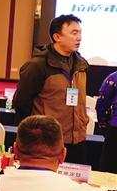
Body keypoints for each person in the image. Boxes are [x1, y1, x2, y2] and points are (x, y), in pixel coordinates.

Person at [14, 14, 88, 164]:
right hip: (46, 142)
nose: (79, 38)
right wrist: (36, 130)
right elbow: (21, 102)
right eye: (74, 33)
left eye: (80, 33)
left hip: (77, 140)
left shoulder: (81, 65)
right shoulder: (38, 66)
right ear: (57, 37)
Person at [96, 70, 117, 172]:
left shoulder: (114, 78)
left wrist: (103, 125)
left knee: (109, 172)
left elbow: (102, 104)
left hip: (115, 130)